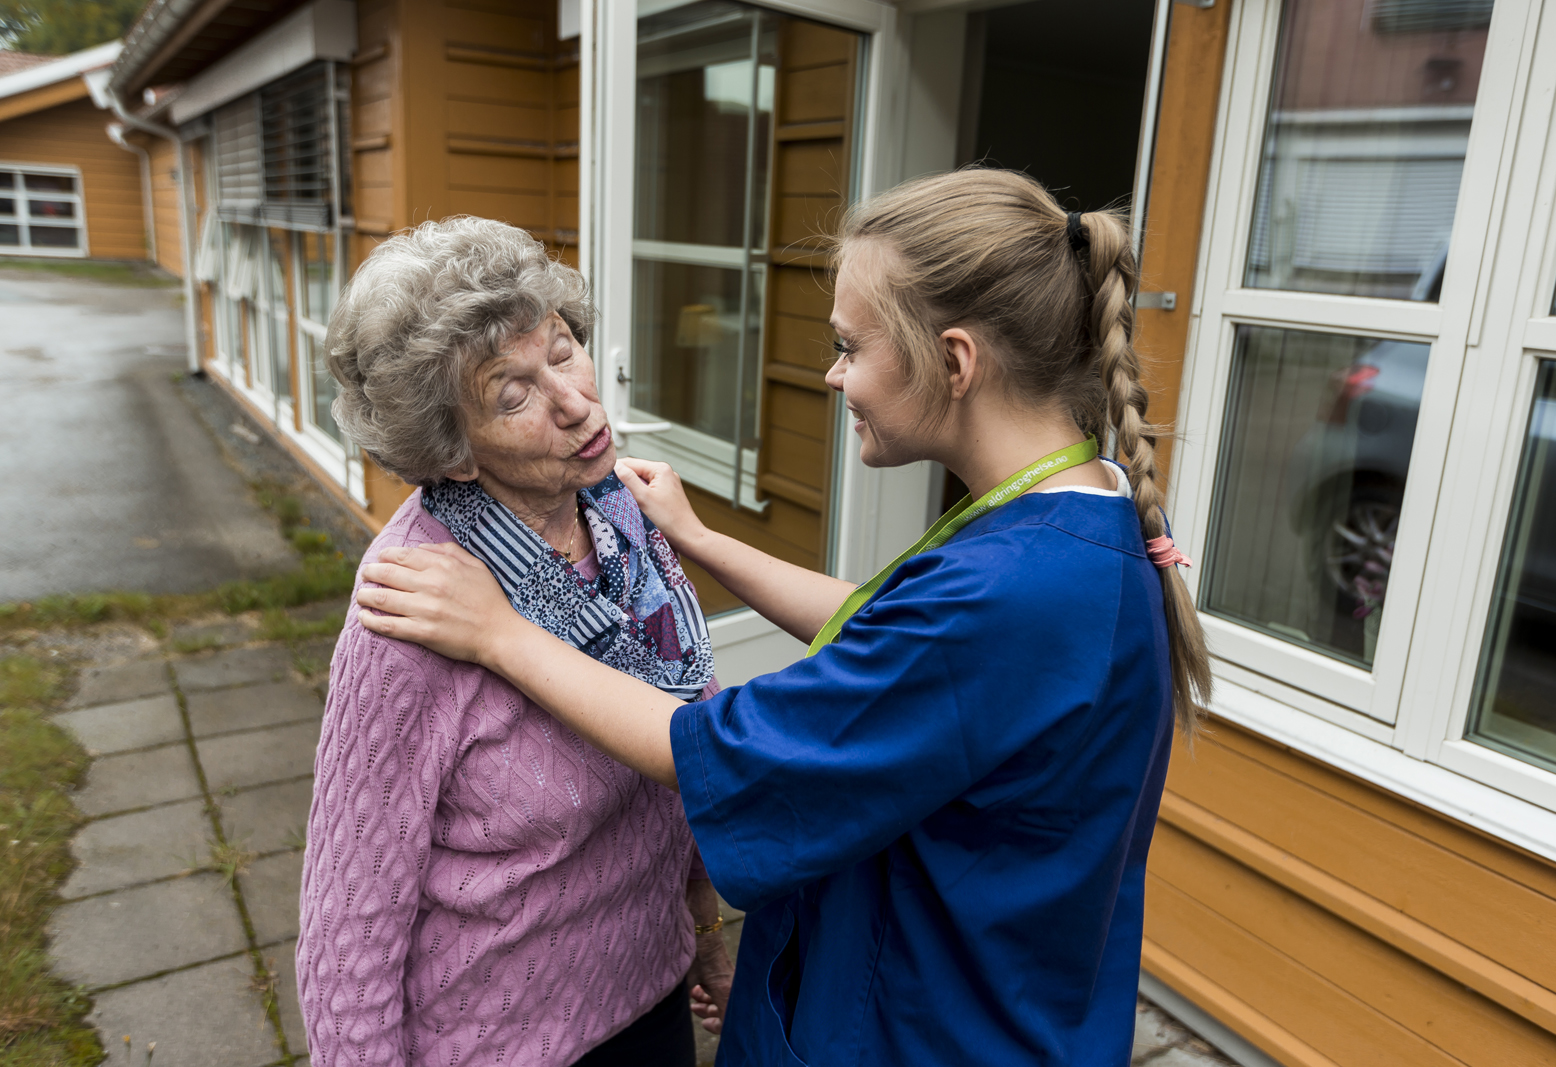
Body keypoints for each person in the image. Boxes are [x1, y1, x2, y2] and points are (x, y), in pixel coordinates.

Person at [353, 169, 1212, 1065]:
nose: (834, 375)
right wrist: (705, 541)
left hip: (922, 1026)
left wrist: (500, 632)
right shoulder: (1080, 513)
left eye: (850, 345)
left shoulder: (1009, 595)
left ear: (954, 362)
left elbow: (720, 749)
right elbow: (887, 627)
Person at [294, 216, 733, 1067]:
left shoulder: (620, 516)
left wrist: (703, 926)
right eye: (513, 393)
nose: (575, 402)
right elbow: (349, 922)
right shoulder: (412, 605)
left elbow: (677, 746)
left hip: (649, 992)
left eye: (562, 350)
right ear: (453, 453)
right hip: (501, 1038)